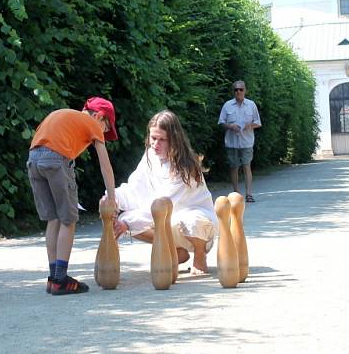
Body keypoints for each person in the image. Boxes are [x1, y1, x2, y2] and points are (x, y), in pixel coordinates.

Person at [27, 97, 118, 295]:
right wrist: (112, 198)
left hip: (33, 160)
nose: (103, 132)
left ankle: (53, 278)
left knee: (54, 219)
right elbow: (105, 165)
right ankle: (61, 279)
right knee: (68, 220)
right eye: (106, 127)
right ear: (99, 116)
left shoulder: (61, 114)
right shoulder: (91, 123)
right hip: (56, 159)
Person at [111, 110, 217, 275]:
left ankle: (200, 254)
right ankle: (174, 251)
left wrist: (130, 223)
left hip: (195, 224)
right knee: (124, 219)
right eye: (153, 138)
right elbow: (134, 188)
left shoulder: (186, 166)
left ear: (174, 140)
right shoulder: (150, 156)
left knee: (189, 220)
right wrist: (112, 198)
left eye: (162, 139)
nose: (155, 144)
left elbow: (164, 203)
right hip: (167, 222)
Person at [218, 80, 262, 203]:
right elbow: (221, 122)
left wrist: (250, 125)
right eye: (236, 90)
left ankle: (248, 194)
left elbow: (258, 123)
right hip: (231, 142)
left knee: (247, 166)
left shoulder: (251, 105)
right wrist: (230, 126)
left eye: (241, 89)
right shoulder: (227, 105)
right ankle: (236, 193)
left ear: (245, 90)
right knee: (234, 167)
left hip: (246, 141)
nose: (238, 92)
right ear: (233, 92)